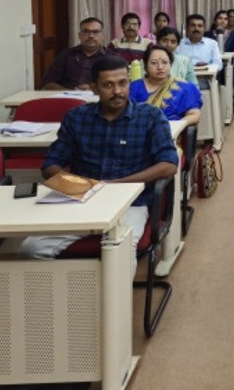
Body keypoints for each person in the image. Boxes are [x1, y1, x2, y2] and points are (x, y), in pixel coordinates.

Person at [18, 55, 179, 275]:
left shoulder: (150, 116)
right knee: (31, 249)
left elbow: (169, 164)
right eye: (108, 85)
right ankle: (58, 294)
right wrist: (81, 186)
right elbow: (50, 165)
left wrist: (116, 185)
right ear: (94, 88)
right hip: (82, 200)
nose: (117, 91)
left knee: (120, 253)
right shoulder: (76, 117)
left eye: (123, 83)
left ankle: (113, 299)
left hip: (130, 203)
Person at [130, 45, 203, 125]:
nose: (160, 67)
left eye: (164, 62)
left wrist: (176, 125)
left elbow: (194, 114)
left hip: (174, 130)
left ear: (170, 64)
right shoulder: (134, 87)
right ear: (145, 67)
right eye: (154, 63)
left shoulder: (184, 87)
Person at [42, 16, 119, 90]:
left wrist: (95, 89)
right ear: (79, 35)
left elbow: (120, 84)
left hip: (99, 97)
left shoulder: (113, 58)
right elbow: (47, 83)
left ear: (102, 36)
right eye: (86, 32)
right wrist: (71, 93)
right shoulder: (66, 55)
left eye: (95, 32)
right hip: (68, 96)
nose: (91, 36)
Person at [178, 13, 223, 90]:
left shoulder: (212, 43)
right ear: (187, 28)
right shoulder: (179, 44)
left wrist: (205, 67)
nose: (196, 28)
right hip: (183, 79)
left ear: (204, 29)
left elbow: (218, 64)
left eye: (200, 26)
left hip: (204, 79)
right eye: (193, 25)